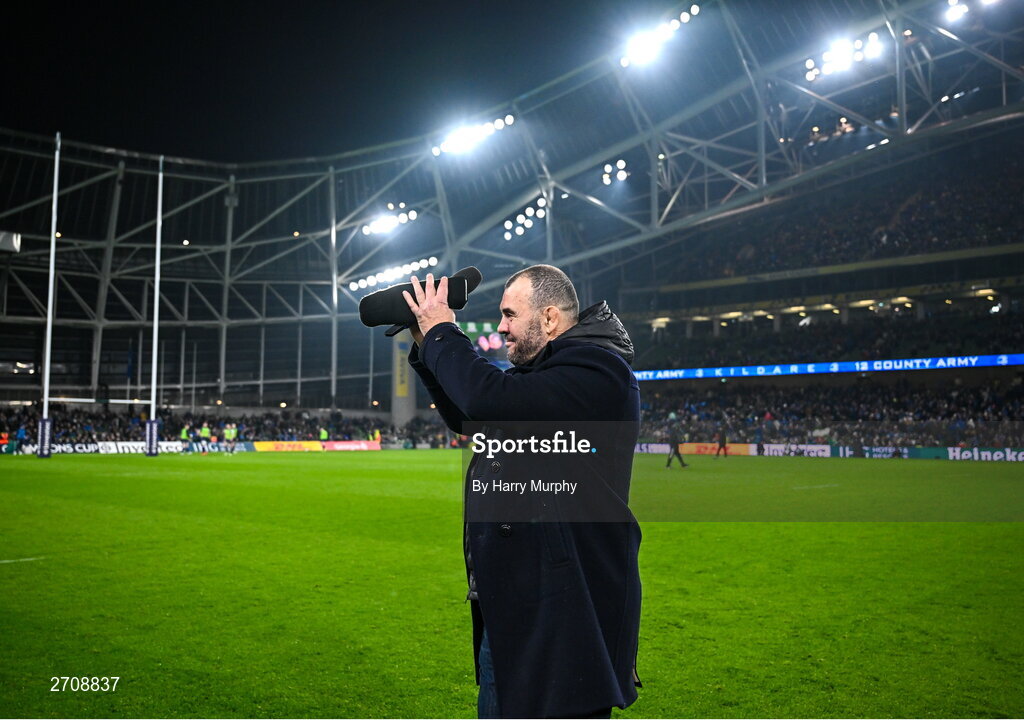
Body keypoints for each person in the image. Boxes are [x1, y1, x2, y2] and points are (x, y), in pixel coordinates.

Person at [403, 265, 642, 719]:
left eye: (510, 314)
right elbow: (470, 415)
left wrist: (443, 334)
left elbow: (487, 398)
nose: (501, 327)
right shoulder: (546, 379)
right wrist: (424, 341)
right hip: (521, 604)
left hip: (567, 614)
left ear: (550, 318)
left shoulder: (599, 371)